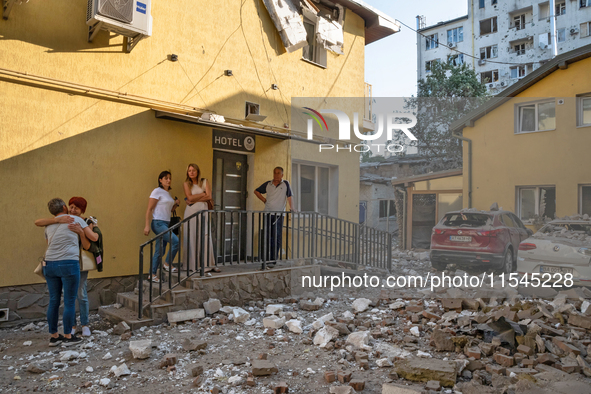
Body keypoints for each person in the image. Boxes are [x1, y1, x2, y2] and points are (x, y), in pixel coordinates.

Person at [35, 197, 101, 337]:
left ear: (82, 210)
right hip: (69, 264)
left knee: (72, 296)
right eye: (71, 207)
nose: (72, 210)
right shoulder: (69, 220)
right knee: (69, 300)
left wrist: (82, 232)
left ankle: (63, 332)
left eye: (76, 208)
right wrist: (57, 220)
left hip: (61, 264)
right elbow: (95, 238)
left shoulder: (82, 221)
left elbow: (91, 242)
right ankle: (68, 332)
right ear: (65, 207)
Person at [254, 167, 295, 267]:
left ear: (282, 175)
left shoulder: (286, 184)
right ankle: (266, 259)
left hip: (278, 215)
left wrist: (292, 208)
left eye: (278, 173)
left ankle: (273, 259)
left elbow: (289, 196)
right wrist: (264, 200)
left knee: (276, 237)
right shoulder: (268, 184)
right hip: (267, 214)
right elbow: (256, 191)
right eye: (275, 173)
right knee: (267, 236)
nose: (276, 175)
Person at [182, 164, 220, 273]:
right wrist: (202, 194)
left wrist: (194, 199)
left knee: (205, 235)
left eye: (193, 170)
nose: (191, 172)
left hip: (203, 212)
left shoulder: (204, 181)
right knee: (192, 236)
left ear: (197, 171)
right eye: (189, 170)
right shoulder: (186, 184)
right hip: (190, 213)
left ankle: (209, 264)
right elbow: (189, 197)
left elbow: (209, 196)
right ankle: (193, 265)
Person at [144, 170, 180, 283]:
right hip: (158, 223)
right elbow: (149, 209)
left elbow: (168, 210)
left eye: (169, 178)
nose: (168, 180)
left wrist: (175, 205)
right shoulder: (157, 191)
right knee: (175, 241)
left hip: (166, 223)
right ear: (160, 180)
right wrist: (146, 226)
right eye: (166, 178)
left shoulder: (167, 193)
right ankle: (167, 264)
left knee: (160, 251)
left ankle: (152, 274)